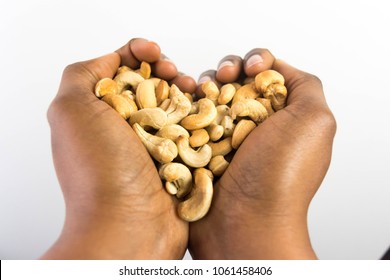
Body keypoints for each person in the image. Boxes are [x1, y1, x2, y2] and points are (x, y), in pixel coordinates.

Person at [41, 38, 337, 260]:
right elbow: (176, 132)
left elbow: (190, 139)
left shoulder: (191, 132)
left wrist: (253, 219)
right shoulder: (167, 128)